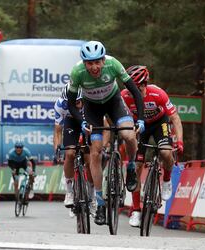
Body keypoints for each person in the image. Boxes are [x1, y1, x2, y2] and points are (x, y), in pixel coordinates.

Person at [67, 41, 145, 226]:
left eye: (97, 62)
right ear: (84, 63)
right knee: (95, 152)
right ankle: (100, 203)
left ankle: (132, 167)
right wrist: (82, 121)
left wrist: (140, 119)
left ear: (103, 60)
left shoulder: (114, 64)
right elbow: (71, 104)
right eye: (89, 63)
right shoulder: (77, 72)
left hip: (114, 103)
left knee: (128, 135)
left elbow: (135, 92)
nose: (94, 67)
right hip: (92, 109)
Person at [121, 65, 184, 227]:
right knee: (137, 165)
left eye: (133, 86)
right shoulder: (125, 96)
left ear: (143, 84)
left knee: (165, 152)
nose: (129, 90)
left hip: (159, 124)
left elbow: (175, 118)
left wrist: (180, 141)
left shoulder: (158, 94)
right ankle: (136, 210)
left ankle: (167, 180)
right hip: (139, 126)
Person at [53, 84, 96, 214]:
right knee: (70, 154)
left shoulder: (91, 102)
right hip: (71, 123)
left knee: (90, 161)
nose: (75, 105)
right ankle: (70, 191)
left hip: (87, 122)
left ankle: (91, 195)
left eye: (77, 102)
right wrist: (57, 148)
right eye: (71, 102)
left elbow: (104, 125)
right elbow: (57, 132)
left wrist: (102, 146)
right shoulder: (60, 105)